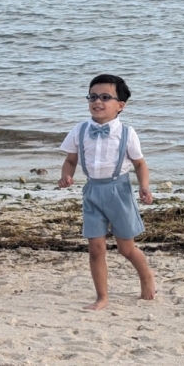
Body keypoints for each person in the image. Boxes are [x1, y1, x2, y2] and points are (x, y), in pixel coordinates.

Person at [58, 74, 155, 310]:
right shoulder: (80, 130)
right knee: (95, 248)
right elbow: (71, 160)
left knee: (126, 248)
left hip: (119, 191)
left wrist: (144, 186)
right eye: (93, 96)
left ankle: (146, 277)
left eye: (105, 97)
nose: (97, 102)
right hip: (92, 192)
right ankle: (102, 297)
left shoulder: (126, 133)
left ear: (120, 105)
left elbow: (140, 163)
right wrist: (66, 175)